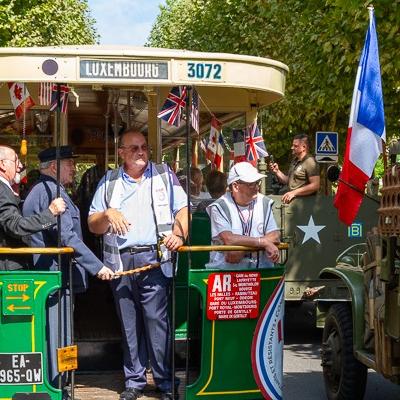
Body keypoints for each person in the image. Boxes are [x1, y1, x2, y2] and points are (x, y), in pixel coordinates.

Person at [88, 130, 188, 400]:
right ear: (121, 152)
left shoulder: (164, 174)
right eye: (133, 148)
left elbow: (182, 208)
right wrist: (108, 213)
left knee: (158, 323)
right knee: (129, 324)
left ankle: (165, 383)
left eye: (144, 147)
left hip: (153, 259)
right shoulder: (108, 181)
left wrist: (180, 234)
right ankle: (134, 382)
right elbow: (93, 225)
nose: (141, 152)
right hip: (120, 262)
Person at [22, 145, 114, 391]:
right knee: (58, 334)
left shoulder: (50, 189)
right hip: (55, 277)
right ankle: (58, 386)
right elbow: (67, 238)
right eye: (70, 164)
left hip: (58, 277)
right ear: (54, 166)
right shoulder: (49, 192)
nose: (74, 168)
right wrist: (98, 267)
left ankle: (62, 383)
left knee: (62, 332)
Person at [0, 145, 66, 270]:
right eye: (16, 161)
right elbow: (14, 226)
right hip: (8, 267)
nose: (20, 166)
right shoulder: (1, 189)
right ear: (2, 165)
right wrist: (50, 213)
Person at [206, 161, 280, 269]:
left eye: (257, 182)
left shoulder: (264, 202)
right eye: (251, 184)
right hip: (227, 276)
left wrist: (241, 250)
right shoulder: (219, 206)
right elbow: (229, 239)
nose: (256, 187)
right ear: (235, 186)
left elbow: (275, 235)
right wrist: (263, 242)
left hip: (261, 272)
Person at [269, 133, 320, 203]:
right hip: (294, 203)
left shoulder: (310, 162)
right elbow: (288, 181)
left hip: (306, 204)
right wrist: (277, 171)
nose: (292, 148)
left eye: (295, 146)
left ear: (303, 147)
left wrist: (294, 193)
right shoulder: (295, 161)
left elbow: (315, 185)